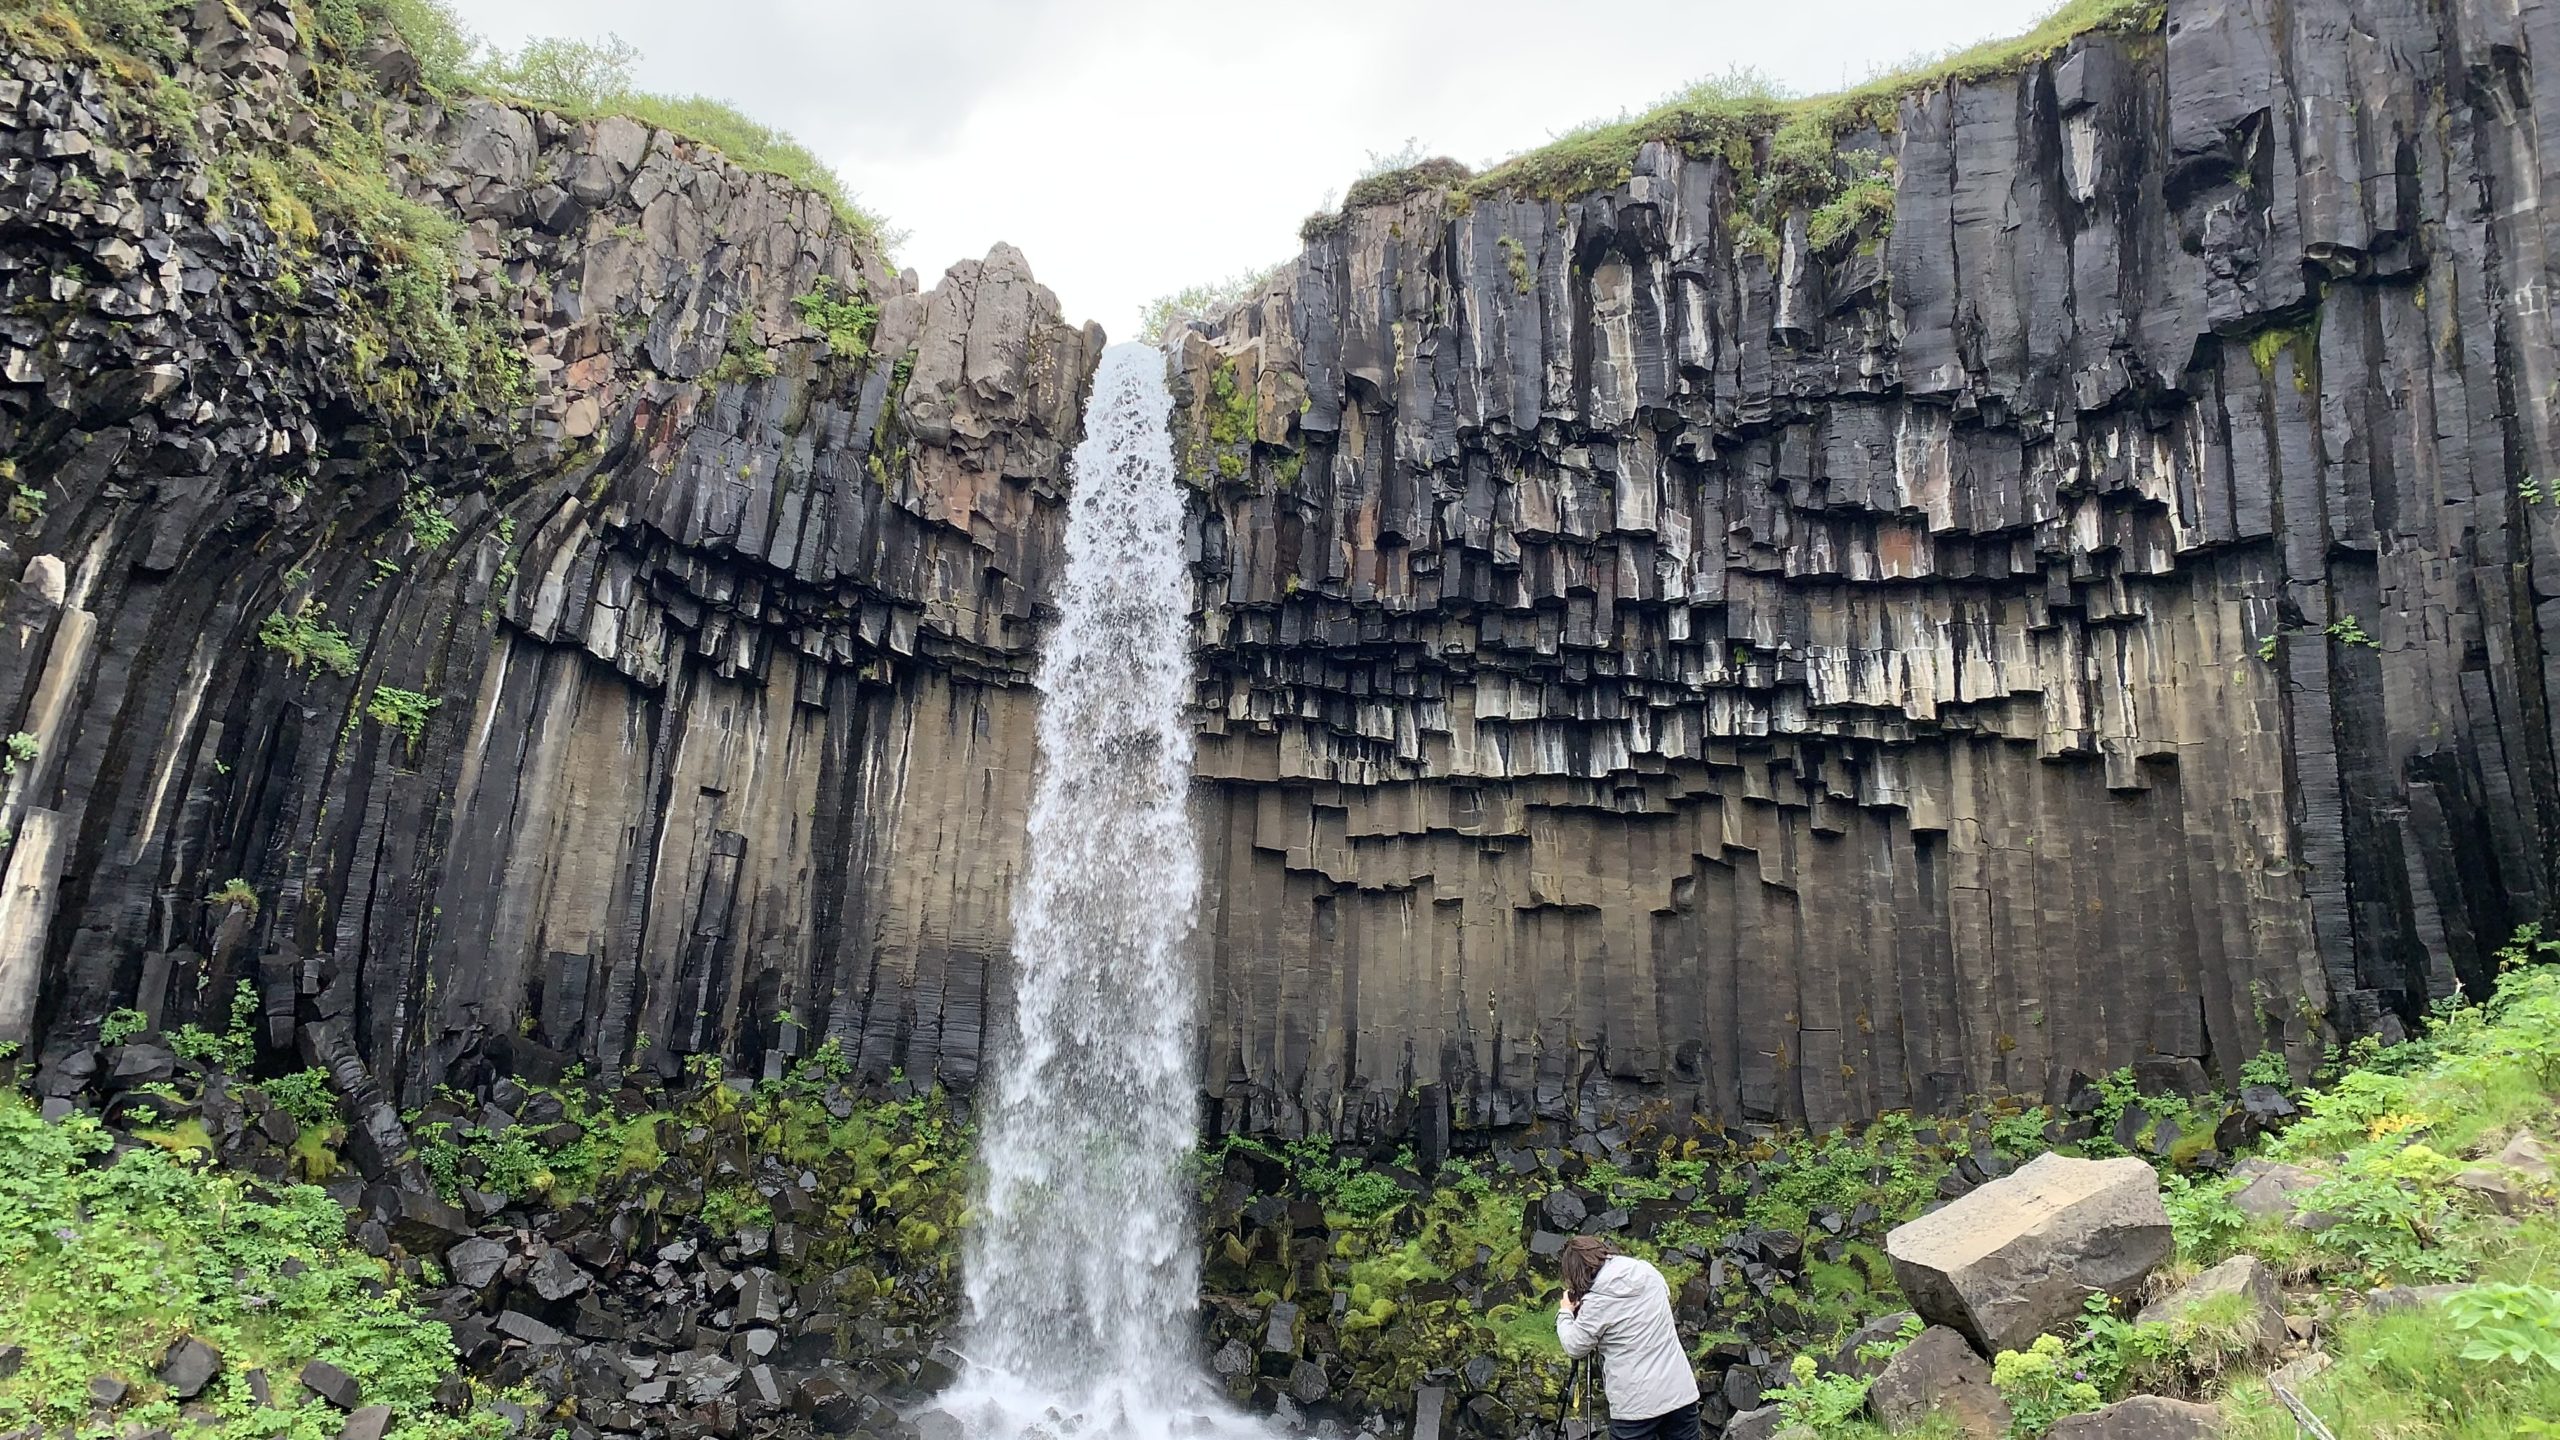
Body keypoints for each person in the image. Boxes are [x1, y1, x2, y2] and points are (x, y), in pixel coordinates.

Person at [1556, 1235, 1701, 1440]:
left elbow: (1574, 1346)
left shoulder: (1597, 1302)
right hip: (1679, 1393)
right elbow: (1665, 1295)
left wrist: (1565, 1312)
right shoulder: (1646, 1271)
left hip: (1636, 1407)